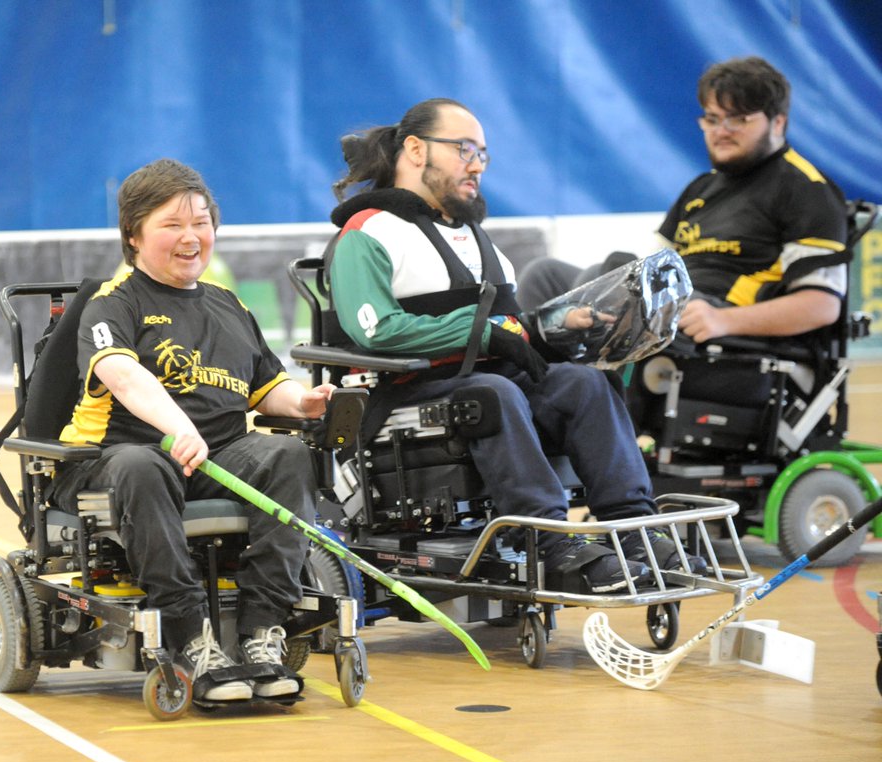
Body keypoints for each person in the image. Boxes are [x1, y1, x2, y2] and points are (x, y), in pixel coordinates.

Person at [326, 98, 705, 593]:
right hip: (405, 390)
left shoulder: (473, 236)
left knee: (585, 384)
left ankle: (633, 528)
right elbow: (377, 331)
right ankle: (548, 540)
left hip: (481, 381)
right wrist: (483, 332)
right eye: (464, 149)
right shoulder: (367, 232)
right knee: (494, 394)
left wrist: (554, 326)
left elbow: (508, 325)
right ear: (416, 150)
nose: (477, 165)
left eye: (482, 153)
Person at [49, 158, 337, 702]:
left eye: (201, 223)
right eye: (172, 225)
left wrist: (303, 402)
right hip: (112, 460)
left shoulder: (228, 305)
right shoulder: (111, 305)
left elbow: (266, 387)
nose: (191, 237)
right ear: (133, 235)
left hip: (214, 460)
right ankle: (190, 637)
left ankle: (261, 632)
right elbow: (124, 376)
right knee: (143, 463)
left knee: (288, 456)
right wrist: (180, 428)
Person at [518, 56, 848, 347]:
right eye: (712, 119)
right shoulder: (700, 189)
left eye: (737, 119)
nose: (721, 131)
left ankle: (572, 378)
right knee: (545, 274)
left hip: (719, 318)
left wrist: (723, 321)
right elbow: (647, 268)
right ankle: (529, 375)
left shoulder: (806, 189)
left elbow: (821, 305)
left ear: (778, 122)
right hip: (668, 304)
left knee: (605, 287)